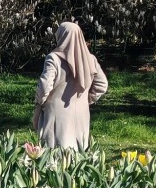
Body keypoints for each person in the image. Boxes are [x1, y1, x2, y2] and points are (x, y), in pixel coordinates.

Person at [34, 21, 109, 150]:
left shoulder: (53, 58)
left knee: (54, 154)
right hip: (82, 113)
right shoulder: (90, 59)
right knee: (78, 153)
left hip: (56, 114)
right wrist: (86, 100)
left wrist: (39, 102)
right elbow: (102, 84)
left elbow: (45, 86)